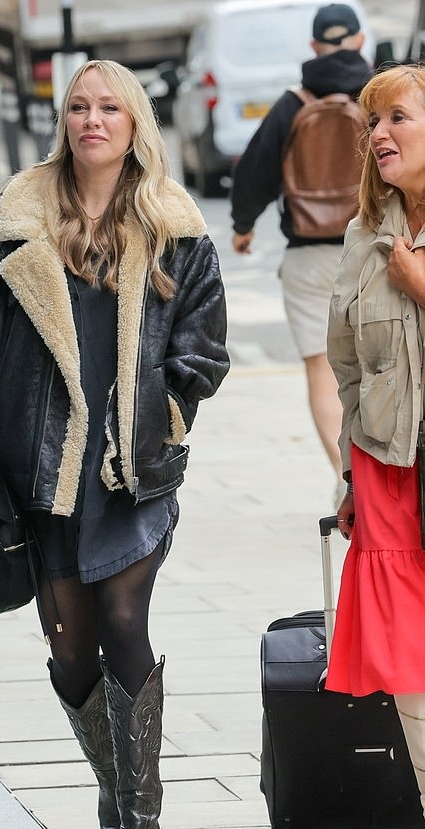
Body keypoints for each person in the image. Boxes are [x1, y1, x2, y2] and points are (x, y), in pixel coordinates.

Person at [0, 59, 229, 829]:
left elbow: (203, 346)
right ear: (62, 119)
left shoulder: (175, 226)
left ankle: (145, 822)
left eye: (109, 107)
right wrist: (0, 418)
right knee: (71, 650)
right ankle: (113, 785)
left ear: (136, 122)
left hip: (133, 474)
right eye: (78, 106)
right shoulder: (13, 218)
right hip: (47, 476)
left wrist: (167, 418)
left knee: (123, 618)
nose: (91, 119)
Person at [325, 63, 425, 829]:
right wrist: (351, 478)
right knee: (409, 659)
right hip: (389, 466)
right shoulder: (364, 235)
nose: (381, 134)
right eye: (373, 123)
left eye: (398, 117)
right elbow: (347, 365)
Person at [230, 3, 371, 506]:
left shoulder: (294, 101)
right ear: (358, 41)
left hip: (308, 254)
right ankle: (382, 475)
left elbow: (254, 173)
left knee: (320, 367)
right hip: (372, 248)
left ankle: (344, 475)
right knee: (382, 362)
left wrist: (243, 228)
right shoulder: (379, 96)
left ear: (313, 48)